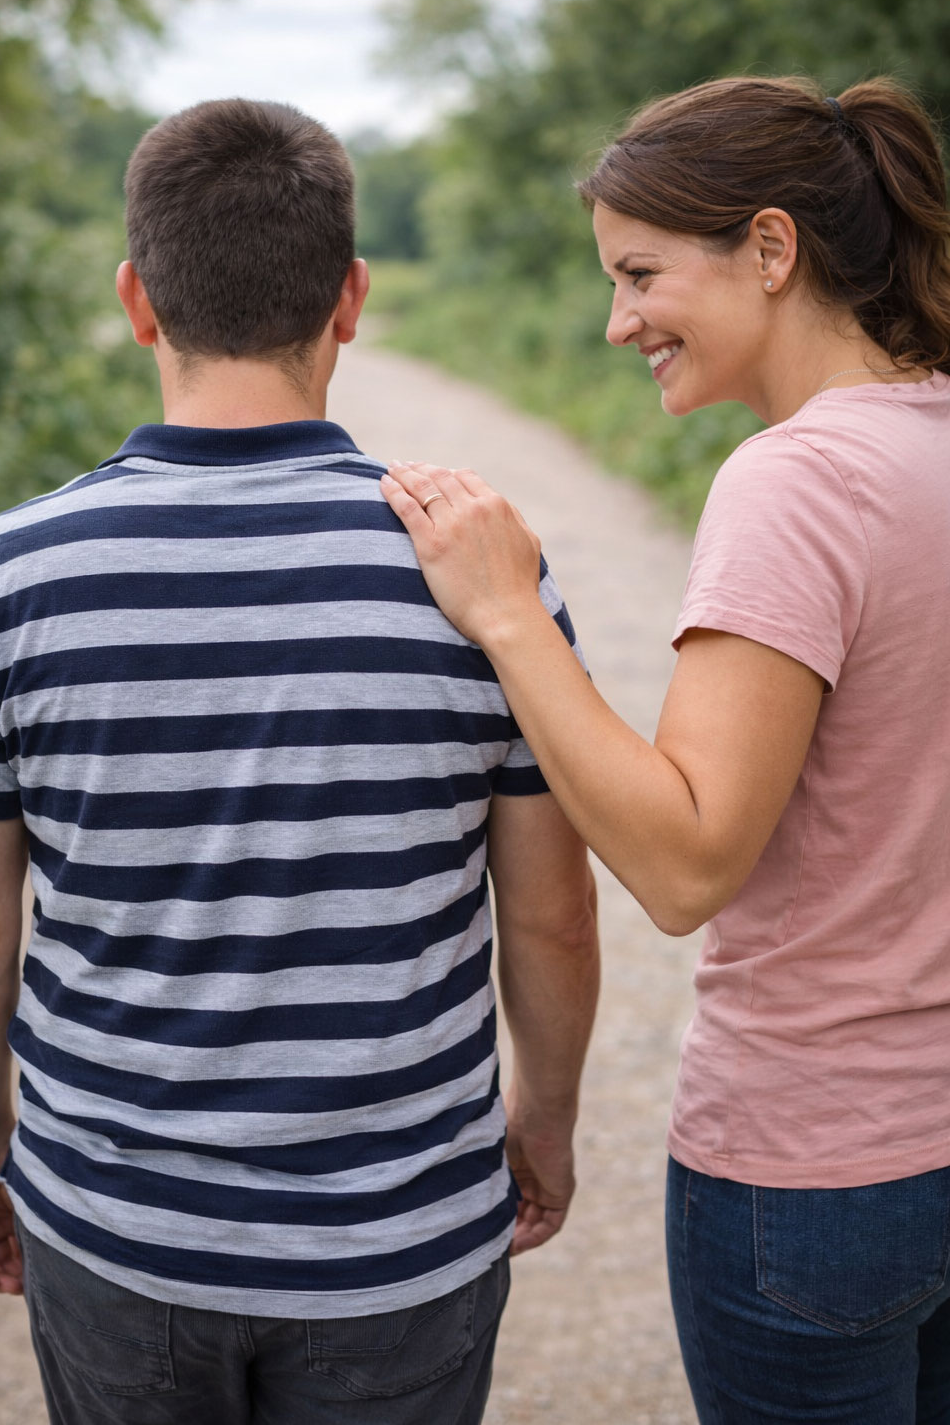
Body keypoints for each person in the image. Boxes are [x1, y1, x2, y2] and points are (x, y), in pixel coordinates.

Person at [0, 98, 599, 1425]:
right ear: (350, 298)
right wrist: (545, 1128)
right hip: (402, 1235)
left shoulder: (9, 573)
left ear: (135, 299)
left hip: (115, 1228)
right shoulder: (481, 571)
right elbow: (553, 912)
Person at [381, 74, 950, 1424]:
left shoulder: (799, 478)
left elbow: (686, 865)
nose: (615, 319)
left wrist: (511, 615)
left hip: (818, 1173)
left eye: (640, 274)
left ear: (769, 248)